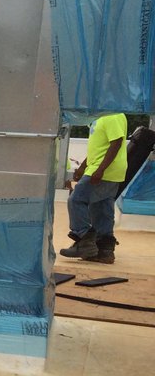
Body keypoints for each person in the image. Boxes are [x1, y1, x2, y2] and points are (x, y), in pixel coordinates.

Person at [61, 111, 128, 264]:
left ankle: (84, 240)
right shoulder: (99, 117)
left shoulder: (113, 114)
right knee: (101, 208)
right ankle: (104, 249)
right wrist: (83, 167)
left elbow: (117, 142)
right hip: (104, 169)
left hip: (104, 170)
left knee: (76, 200)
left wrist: (100, 169)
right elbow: (98, 149)